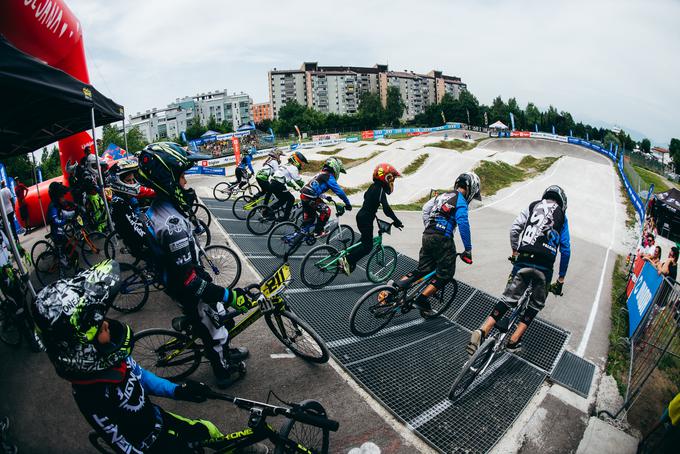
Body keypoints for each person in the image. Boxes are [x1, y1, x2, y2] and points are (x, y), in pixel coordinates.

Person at [32, 261, 268, 454]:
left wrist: (178, 390)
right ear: (80, 348)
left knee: (208, 429)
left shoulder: (112, 357)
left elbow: (141, 377)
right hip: (151, 446)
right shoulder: (89, 395)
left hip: (159, 418)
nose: (107, 324)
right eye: (99, 327)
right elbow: (121, 444)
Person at [137, 142, 253, 388]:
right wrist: (230, 295)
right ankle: (222, 371)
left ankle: (222, 350)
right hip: (185, 282)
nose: (185, 184)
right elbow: (189, 282)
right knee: (214, 330)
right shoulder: (172, 223)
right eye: (181, 178)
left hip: (177, 274)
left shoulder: (157, 209)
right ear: (166, 180)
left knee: (218, 316)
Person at [468, 185, 571, 355]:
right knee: (535, 304)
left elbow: (515, 228)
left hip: (524, 259)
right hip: (544, 266)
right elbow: (565, 249)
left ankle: (482, 331)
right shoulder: (562, 216)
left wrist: (515, 251)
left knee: (508, 298)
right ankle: (513, 341)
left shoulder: (533, 206)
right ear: (562, 202)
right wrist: (560, 279)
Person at [392, 172, 480, 318]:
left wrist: (430, 227)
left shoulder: (441, 196)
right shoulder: (461, 201)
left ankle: (394, 288)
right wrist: (468, 250)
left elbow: (426, 209)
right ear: (471, 189)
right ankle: (422, 299)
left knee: (423, 270)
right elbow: (463, 224)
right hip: (442, 238)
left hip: (427, 235)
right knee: (446, 274)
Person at [339, 163, 403, 275]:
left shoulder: (373, 186)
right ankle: (347, 261)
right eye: (393, 179)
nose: (393, 182)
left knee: (364, 239)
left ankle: (347, 256)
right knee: (368, 247)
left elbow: (367, 200)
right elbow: (387, 209)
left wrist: (373, 212)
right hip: (366, 219)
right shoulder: (380, 190)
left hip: (362, 216)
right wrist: (397, 221)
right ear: (387, 178)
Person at [299, 157, 352, 238]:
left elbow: (315, 188)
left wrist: (325, 197)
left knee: (311, 218)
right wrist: (347, 203)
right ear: (335, 168)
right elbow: (339, 192)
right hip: (310, 197)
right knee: (326, 211)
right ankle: (318, 232)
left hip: (304, 195)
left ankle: (299, 234)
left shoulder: (321, 173)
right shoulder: (329, 176)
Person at [268, 151, 307, 222]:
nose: (302, 165)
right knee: (291, 199)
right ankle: (285, 217)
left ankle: (267, 212)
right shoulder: (293, 168)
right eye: (302, 163)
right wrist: (306, 188)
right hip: (278, 184)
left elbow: (288, 181)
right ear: (297, 161)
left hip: (273, 183)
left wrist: (295, 187)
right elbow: (298, 181)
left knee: (282, 200)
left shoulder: (286, 165)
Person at [47, 182, 77, 268]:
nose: (64, 198)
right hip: (57, 236)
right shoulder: (53, 207)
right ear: (56, 197)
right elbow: (56, 221)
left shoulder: (57, 204)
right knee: (64, 262)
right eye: (62, 196)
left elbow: (66, 213)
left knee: (73, 254)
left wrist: (75, 211)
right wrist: (66, 220)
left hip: (61, 234)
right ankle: (62, 273)